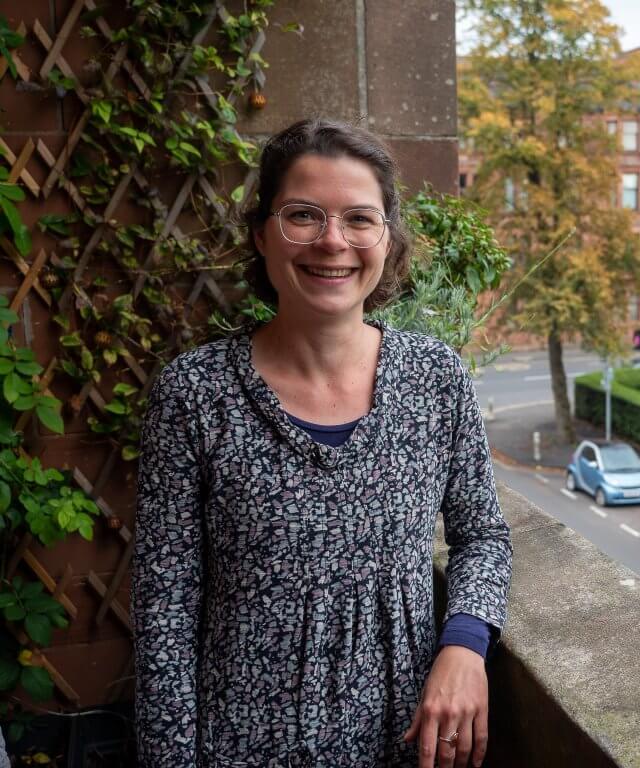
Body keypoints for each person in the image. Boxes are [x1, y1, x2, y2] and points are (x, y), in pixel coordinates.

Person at [131, 118, 512, 768]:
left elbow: (482, 537)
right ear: (261, 234)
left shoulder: (435, 378)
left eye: (360, 219)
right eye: (303, 215)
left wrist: (465, 646)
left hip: (404, 746)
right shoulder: (194, 394)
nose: (333, 241)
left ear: (387, 240)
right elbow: (164, 605)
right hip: (242, 749)